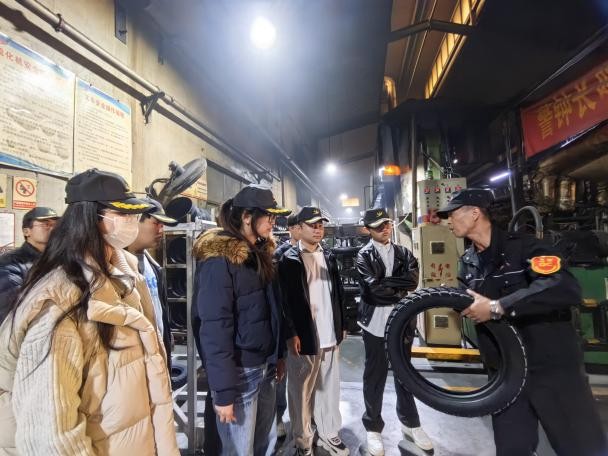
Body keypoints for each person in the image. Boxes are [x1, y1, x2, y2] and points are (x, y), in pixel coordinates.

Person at [0, 168, 178, 455]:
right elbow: (51, 434)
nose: (132, 222)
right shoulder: (59, 302)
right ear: (90, 218)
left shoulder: (124, 278)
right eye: (122, 214)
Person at [437, 188, 608, 456]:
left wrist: (498, 306)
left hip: (551, 370)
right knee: (511, 449)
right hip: (507, 376)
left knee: (581, 447)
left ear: (475, 213)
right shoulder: (468, 262)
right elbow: (470, 302)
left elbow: (563, 286)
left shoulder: (526, 247)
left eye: (453, 214)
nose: (448, 221)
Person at [193, 184, 290, 456]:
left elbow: (273, 310)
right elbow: (214, 327)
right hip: (240, 374)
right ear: (247, 216)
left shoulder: (259, 253)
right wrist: (223, 391)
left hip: (265, 368)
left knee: (263, 445)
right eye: (268, 216)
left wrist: (278, 355)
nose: (273, 222)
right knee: (238, 450)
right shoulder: (219, 260)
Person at [356, 208, 433, 455]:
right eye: (379, 226)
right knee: (374, 376)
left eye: (387, 224)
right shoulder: (364, 255)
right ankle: (373, 427)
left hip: (402, 322)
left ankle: (411, 423)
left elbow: (412, 281)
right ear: (368, 229)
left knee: (405, 374)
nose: (385, 229)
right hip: (374, 323)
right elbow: (372, 292)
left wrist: (385, 283)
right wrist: (395, 287)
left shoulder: (403, 252)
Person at [278, 206, 349, 456]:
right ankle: (303, 440)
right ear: (299, 228)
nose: (318, 229)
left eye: (321, 225)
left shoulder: (328, 256)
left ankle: (329, 433)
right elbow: (284, 302)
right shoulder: (288, 259)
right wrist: (291, 333)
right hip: (304, 337)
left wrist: (342, 324)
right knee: (301, 392)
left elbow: (338, 293)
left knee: (329, 387)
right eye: (313, 225)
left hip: (329, 334)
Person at [126, 197, 178, 369]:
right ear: (135, 220)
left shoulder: (153, 267)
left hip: (157, 353)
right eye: (156, 223)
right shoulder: (115, 268)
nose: (161, 230)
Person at [0, 206, 59, 323]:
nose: (53, 229)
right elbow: (12, 312)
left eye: (56, 225)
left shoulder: (60, 260)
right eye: (46, 224)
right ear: (26, 231)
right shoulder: (10, 264)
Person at [272, 213, 301, 438]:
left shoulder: (316, 253)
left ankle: (305, 415)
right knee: (282, 375)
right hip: (286, 319)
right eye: (299, 226)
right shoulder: (279, 254)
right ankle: (278, 415)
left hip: (305, 321)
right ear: (291, 229)